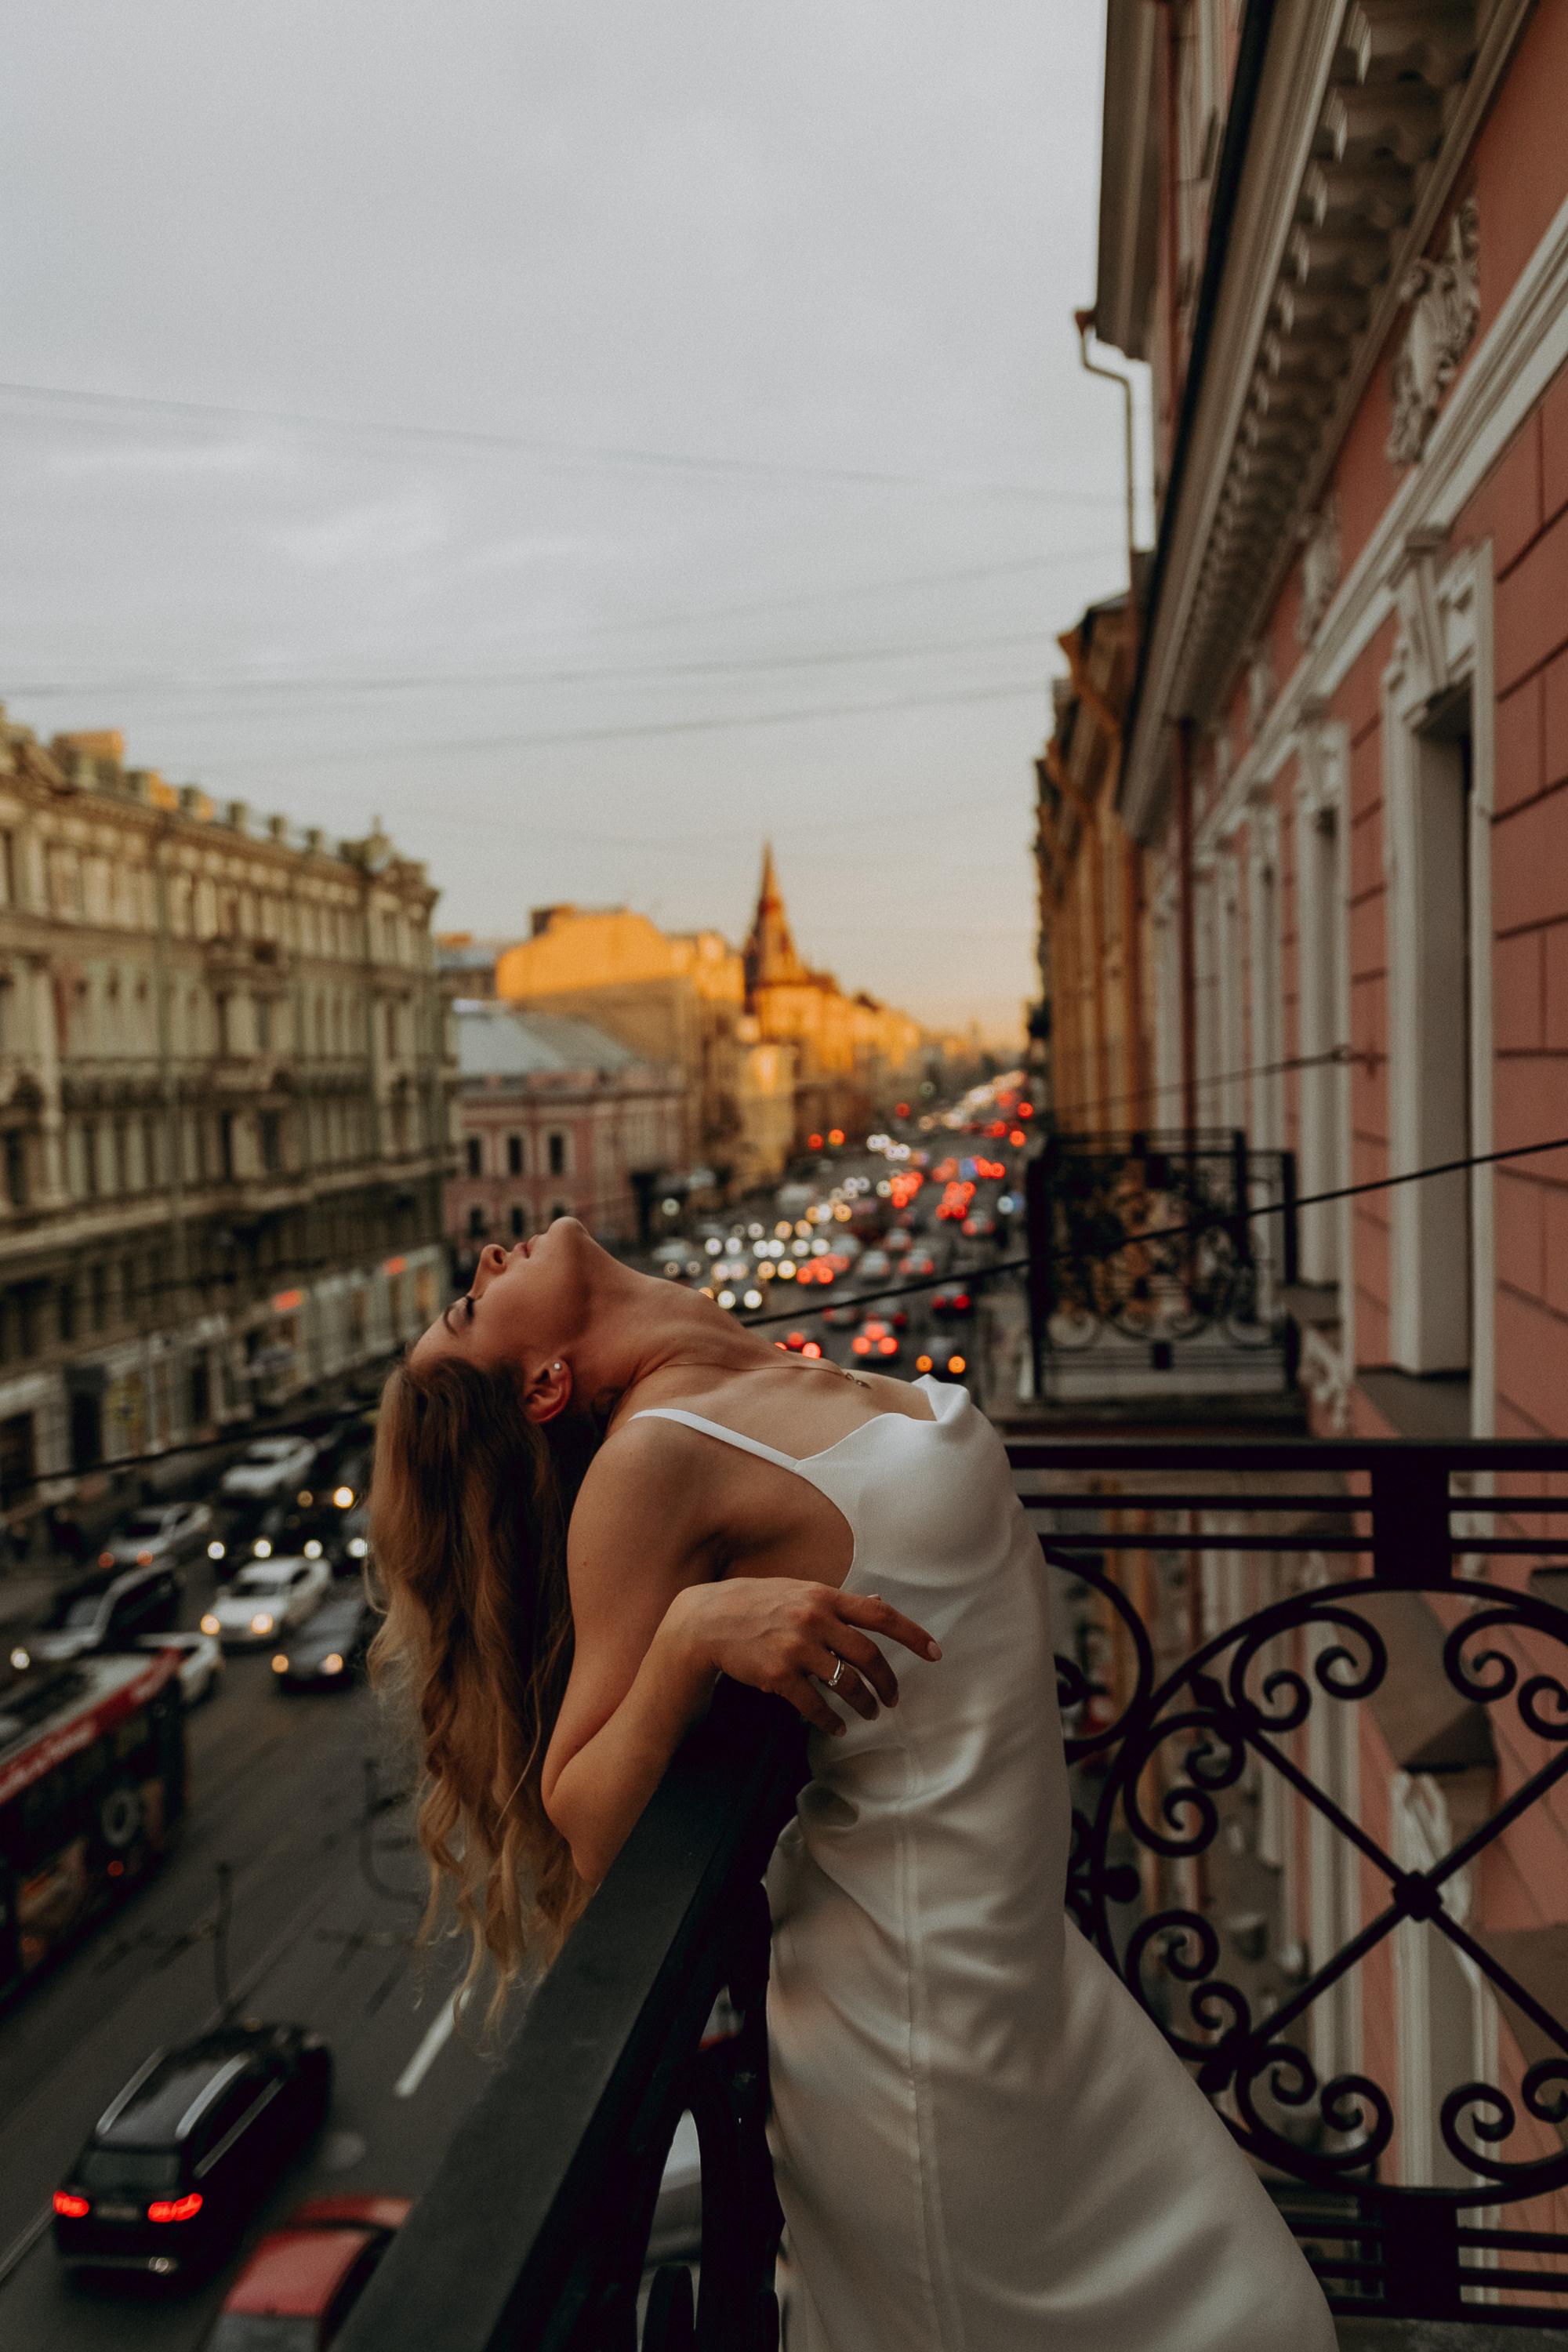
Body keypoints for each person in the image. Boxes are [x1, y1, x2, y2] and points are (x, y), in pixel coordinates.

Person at [372, 1219, 1334, 2352]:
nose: (487, 1259)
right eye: (473, 1309)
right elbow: (581, 1817)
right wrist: (685, 1637)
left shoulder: (753, 1369)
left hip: (1020, 1974)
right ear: (543, 1385)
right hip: (920, 2028)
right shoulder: (648, 1464)